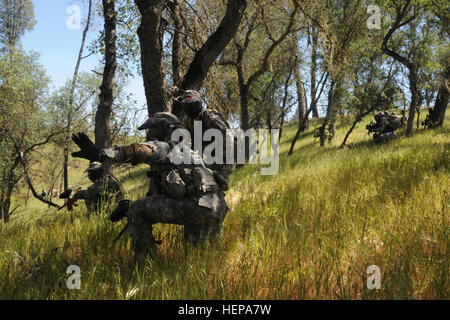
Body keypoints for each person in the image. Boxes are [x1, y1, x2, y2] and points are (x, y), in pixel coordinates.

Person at [71, 113, 228, 254]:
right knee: (200, 255)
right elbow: (161, 193)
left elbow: (138, 151)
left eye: (152, 131)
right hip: (216, 206)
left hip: (196, 206)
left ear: (164, 130)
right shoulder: (191, 153)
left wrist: (101, 154)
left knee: (137, 209)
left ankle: (144, 259)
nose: (149, 136)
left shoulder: (167, 147)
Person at [175, 90, 235, 191]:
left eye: (191, 105)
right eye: (186, 105)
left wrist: (224, 173)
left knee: (218, 183)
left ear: (198, 104)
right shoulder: (187, 120)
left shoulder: (210, 117)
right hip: (203, 154)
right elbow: (185, 142)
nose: (189, 109)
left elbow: (229, 141)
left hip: (220, 153)